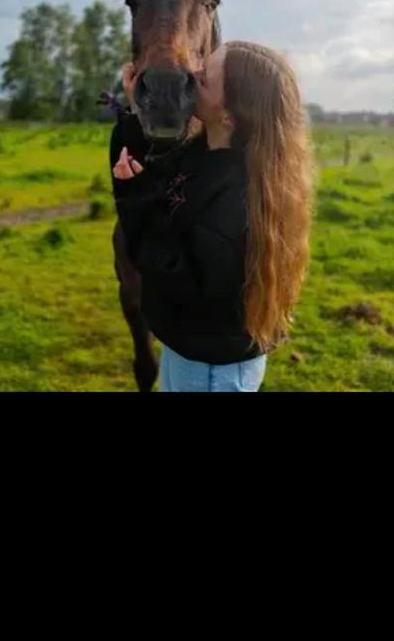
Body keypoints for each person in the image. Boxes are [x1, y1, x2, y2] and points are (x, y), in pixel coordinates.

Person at [110, 42, 314, 392]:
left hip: (213, 370)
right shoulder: (205, 152)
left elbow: (180, 281)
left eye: (204, 79)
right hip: (188, 346)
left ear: (230, 116)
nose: (192, 74)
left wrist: (139, 203)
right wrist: (137, 109)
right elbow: (153, 172)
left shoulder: (238, 201)